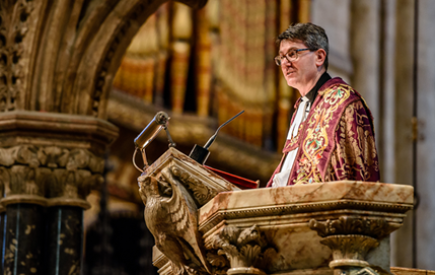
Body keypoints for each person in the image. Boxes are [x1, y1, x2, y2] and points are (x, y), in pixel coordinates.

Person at [267, 23, 380, 187]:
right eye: (281, 57)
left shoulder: (343, 101)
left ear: (319, 57)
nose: (285, 63)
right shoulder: (300, 107)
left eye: (292, 54)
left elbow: (357, 175)